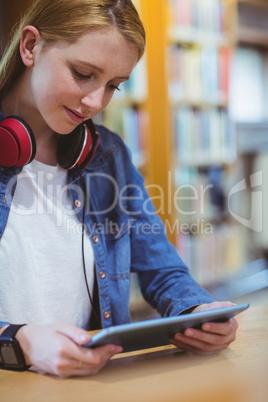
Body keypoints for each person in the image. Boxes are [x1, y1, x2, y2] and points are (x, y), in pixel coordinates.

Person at [0, 0, 238, 378]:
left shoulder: (108, 154)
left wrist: (198, 312)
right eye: (82, 73)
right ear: (30, 46)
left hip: (91, 384)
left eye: (113, 85)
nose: (95, 102)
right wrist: (18, 342)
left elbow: (161, 268)